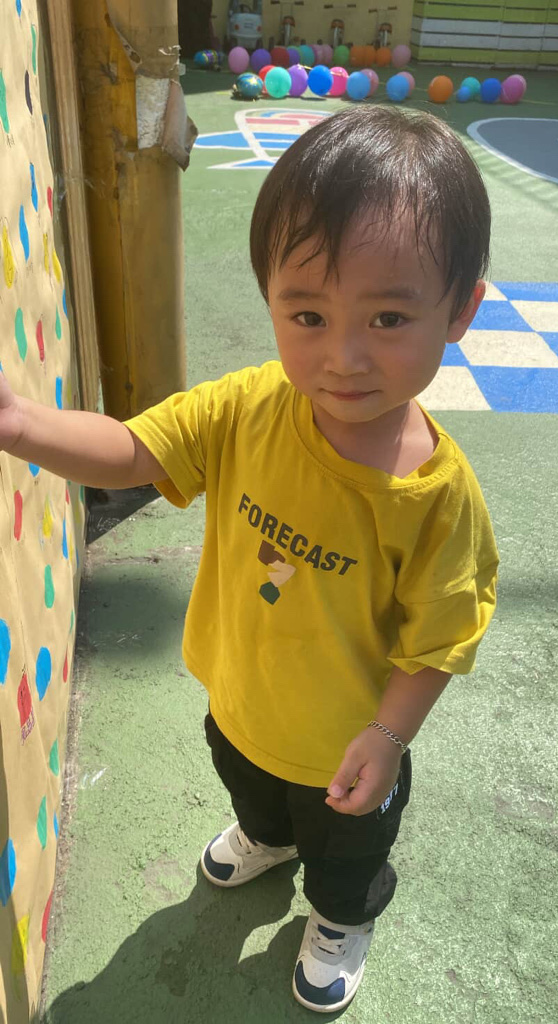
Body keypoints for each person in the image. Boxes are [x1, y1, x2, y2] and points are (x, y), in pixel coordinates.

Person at [0, 106, 499, 1013]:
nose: (343, 357)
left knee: (347, 854)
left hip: (351, 745)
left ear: (460, 308)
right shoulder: (247, 407)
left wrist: (389, 738)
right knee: (251, 791)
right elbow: (135, 449)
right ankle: (268, 839)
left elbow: (439, 642)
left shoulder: (436, 498)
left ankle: (341, 915)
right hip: (238, 702)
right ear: (269, 295)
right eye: (307, 314)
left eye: (389, 316)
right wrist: (21, 422)